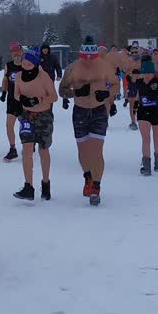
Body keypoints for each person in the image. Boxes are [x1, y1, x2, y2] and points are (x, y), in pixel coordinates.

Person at [56, 36, 116, 206]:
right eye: (85, 57)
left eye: (92, 57)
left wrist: (106, 94)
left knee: (96, 151)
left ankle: (96, 186)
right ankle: (88, 177)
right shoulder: (72, 68)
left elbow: (115, 84)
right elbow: (62, 90)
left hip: (98, 111)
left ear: (96, 55)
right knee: (83, 152)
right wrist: (76, 93)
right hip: (80, 111)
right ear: (81, 54)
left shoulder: (104, 66)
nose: (89, 61)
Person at [10, 45, 56, 201]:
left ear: (35, 64)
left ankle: (45, 183)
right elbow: (16, 94)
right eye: (24, 63)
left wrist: (39, 99)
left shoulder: (43, 77)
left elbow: (54, 96)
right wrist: (22, 99)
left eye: (29, 64)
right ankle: (28, 186)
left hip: (44, 116)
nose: (26, 65)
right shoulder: (18, 76)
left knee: (43, 150)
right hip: (26, 116)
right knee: (27, 149)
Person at [134, 49, 158, 174]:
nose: (148, 75)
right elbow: (136, 97)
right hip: (143, 113)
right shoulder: (139, 82)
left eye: (150, 73)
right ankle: (147, 166)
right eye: (146, 73)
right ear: (142, 73)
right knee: (145, 139)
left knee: (157, 139)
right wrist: (134, 108)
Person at [0, 42, 26, 161]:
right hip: (12, 99)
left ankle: (29, 145)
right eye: (13, 51)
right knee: (9, 125)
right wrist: (3, 93)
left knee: (26, 125)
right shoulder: (8, 65)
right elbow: (5, 80)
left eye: (17, 50)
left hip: (25, 99)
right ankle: (12, 149)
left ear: (21, 51)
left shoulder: (27, 64)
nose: (15, 53)